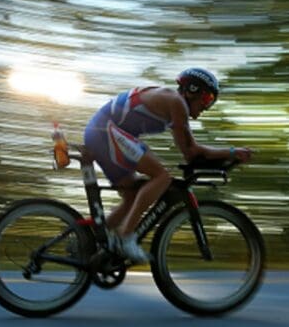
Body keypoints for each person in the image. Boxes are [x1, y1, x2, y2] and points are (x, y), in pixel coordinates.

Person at [83, 68, 252, 263]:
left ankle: (90, 240)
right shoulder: (176, 102)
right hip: (105, 131)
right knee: (162, 177)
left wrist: (228, 155)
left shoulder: (170, 99)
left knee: (132, 196)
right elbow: (190, 152)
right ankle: (125, 236)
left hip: (101, 132)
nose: (206, 108)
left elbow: (192, 152)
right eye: (206, 100)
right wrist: (231, 153)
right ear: (193, 90)